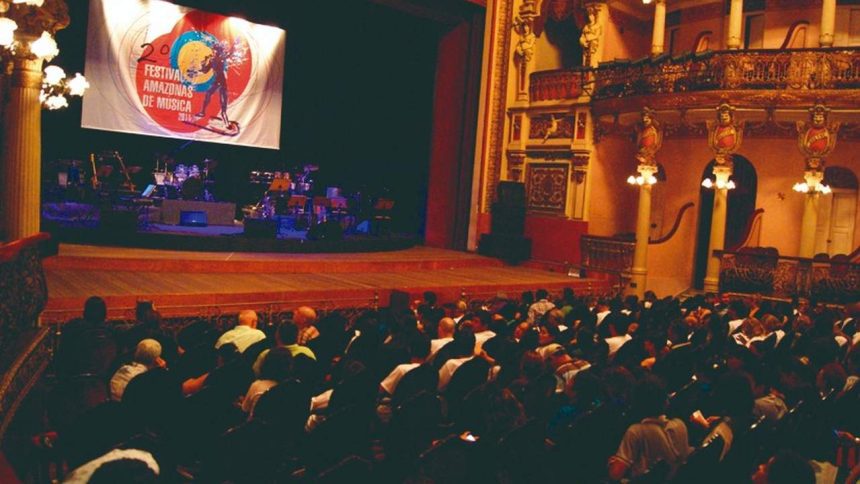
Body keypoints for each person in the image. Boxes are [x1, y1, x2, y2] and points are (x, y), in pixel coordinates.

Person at [608, 375, 692, 480]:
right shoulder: (681, 425)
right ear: (666, 402)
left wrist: (614, 465)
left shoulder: (636, 432)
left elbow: (615, 474)